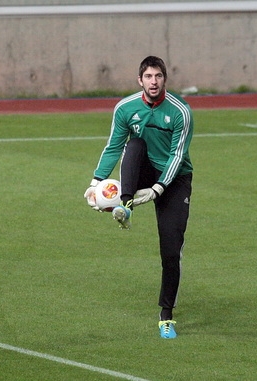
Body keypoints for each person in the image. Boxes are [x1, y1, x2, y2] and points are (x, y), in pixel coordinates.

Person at [84, 56, 194, 338]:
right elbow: (113, 147)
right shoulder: (125, 108)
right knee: (134, 145)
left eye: (158, 76)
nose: (153, 82)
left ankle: (166, 316)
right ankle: (126, 205)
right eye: (148, 77)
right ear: (140, 80)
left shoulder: (181, 111)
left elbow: (177, 156)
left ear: (164, 80)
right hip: (144, 169)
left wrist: (158, 188)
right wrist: (95, 183)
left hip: (175, 178)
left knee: (171, 250)